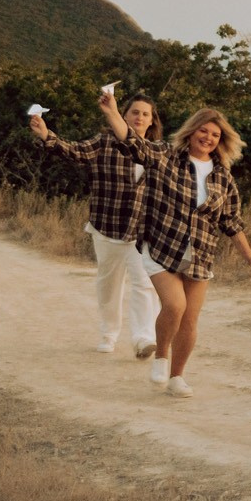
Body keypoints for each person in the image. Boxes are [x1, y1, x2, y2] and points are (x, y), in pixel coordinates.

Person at [99, 88, 251, 397]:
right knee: (175, 305)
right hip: (162, 246)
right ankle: (161, 356)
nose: (209, 137)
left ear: (221, 140)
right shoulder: (165, 156)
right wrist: (112, 113)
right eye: (204, 130)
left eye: (215, 134)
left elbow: (230, 219)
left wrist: (247, 251)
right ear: (192, 131)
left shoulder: (223, 176)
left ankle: (177, 377)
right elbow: (133, 145)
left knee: (190, 318)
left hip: (200, 254)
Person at [30, 91, 162, 358]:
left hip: (142, 231)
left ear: (151, 121)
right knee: (108, 284)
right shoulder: (104, 142)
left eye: (145, 114)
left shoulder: (156, 151)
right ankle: (108, 334)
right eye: (134, 112)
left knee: (144, 284)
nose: (139, 117)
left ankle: (143, 338)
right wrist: (47, 135)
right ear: (123, 115)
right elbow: (74, 151)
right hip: (107, 225)